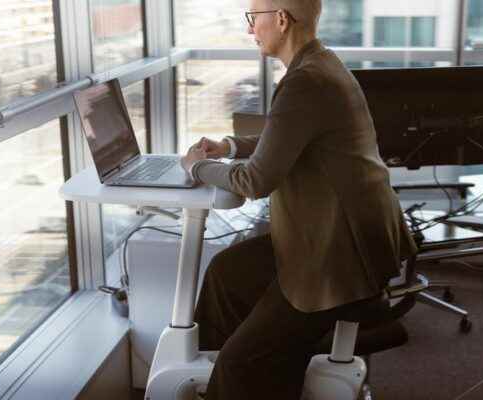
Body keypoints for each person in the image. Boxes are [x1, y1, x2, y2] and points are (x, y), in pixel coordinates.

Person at [179, 0, 417, 398]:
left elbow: (256, 180)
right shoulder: (319, 64)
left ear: (282, 20)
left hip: (339, 255)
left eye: (254, 19)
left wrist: (194, 168)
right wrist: (228, 145)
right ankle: (251, 377)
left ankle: (243, 372)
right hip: (337, 235)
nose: (250, 28)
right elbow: (287, 137)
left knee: (242, 362)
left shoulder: (307, 80)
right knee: (226, 274)